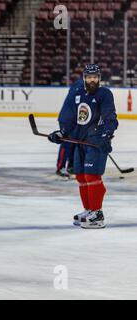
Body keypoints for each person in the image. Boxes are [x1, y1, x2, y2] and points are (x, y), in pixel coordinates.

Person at [48, 64, 118, 229]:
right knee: (80, 176)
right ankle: (88, 210)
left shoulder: (104, 94)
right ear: (84, 78)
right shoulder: (78, 94)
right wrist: (61, 133)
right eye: (89, 77)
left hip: (96, 142)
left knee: (92, 176)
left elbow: (110, 117)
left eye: (95, 77)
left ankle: (97, 213)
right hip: (80, 141)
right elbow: (74, 120)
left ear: (99, 78)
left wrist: (107, 135)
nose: (92, 80)